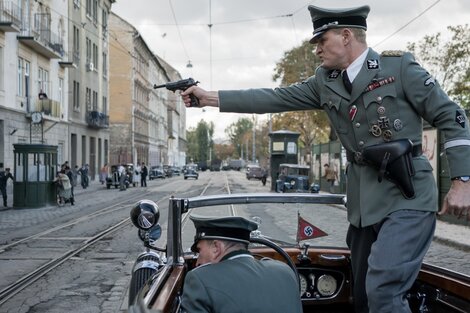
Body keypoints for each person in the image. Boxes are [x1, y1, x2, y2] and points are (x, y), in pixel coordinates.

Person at [181, 5, 470, 312]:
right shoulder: (325, 81)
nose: (317, 49)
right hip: (363, 202)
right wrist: (209, 98)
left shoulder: (399, 68)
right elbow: (273, 97)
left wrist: (462, 180)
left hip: (407, 195)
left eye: (322, 41)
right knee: (361, 293)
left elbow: (452, 116)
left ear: (346, 36)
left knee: (383, 289)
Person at [180, 215, 302, 313]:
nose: (198, 262)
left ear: (216, 248)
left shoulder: (200, 279)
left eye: (199, 250)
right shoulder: (285, 271)